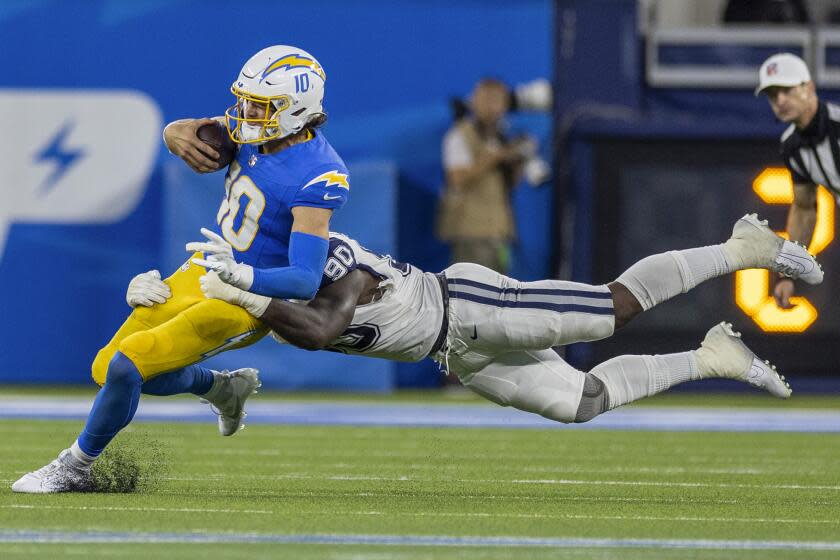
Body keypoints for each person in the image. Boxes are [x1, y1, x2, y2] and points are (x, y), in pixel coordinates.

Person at [13, 45, 351, 493]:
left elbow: (305, 282)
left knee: (128, 367)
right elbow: (191, 131)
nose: (246, 112)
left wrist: (241, 277)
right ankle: (218, 388)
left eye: (261, 105)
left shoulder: (319, 174)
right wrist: (174, 132)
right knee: (105, 368)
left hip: (246, 298)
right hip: (202, 269)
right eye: (246, 100)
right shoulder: (248, 129)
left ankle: (73, 466)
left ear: (297, 111)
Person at [135, 214, 820, 425]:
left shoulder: (335, 259)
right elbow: (238, 316)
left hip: (468, 306)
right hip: (455, 352)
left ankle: (739, 248)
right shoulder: (271, 275)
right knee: (577, 402)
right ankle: (711, 356)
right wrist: (153, 295)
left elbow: (312, 329)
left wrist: (250, 293)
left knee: (609, 311)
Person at [755, 52, 840, 309]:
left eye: (787, 90)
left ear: (809, 87)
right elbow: (804, 210)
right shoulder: (792, 147)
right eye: (773, 95)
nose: (780, 100)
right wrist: (787, 272)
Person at [436, 78, 538, 275]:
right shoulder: (459, 135)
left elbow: (510, 185)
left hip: (499, 233)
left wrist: (519, 162)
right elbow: (456, 178)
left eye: (498, 101)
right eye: (487, 100)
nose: (493, 107)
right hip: (471, 233)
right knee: (472, 296)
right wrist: (493, 157)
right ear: (474, 101)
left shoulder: (502, 136)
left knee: (499, 297)